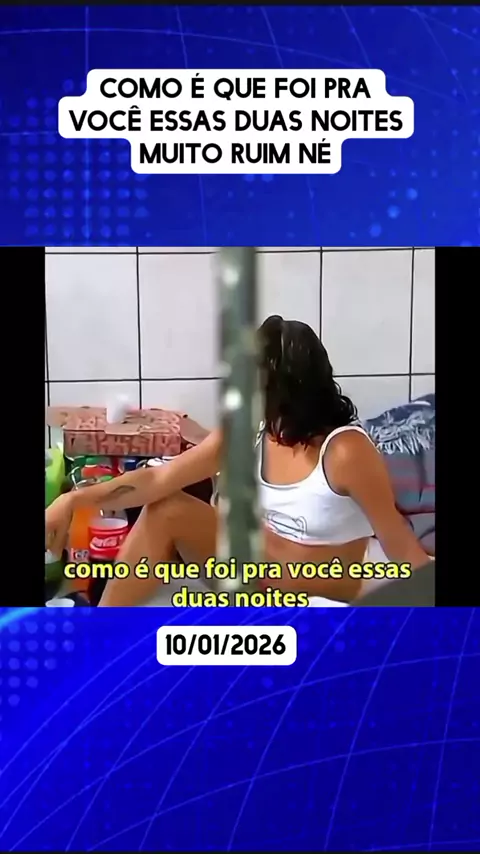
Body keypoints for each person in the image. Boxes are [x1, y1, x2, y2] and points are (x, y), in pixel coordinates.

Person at [46, 315, 429, 606]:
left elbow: (398, 543)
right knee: (166, 508)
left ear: (289, 393)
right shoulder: (250, 428)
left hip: (319, 590)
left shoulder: (345, 451)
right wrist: (73, 499)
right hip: (251, 576)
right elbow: (158, 481)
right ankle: (101, 640)